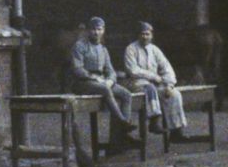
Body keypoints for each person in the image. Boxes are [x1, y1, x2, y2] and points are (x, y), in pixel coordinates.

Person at [66, 15, 140, 153]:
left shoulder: (103, 49)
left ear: (103, 30)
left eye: (99, 29)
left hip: (101, 83)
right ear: (88, 31)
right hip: (82, 83)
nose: (96, 32)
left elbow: (110, 70)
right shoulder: (79, 46)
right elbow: (77, 69)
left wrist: (111, 80)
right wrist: (95, 78)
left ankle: (122, 134)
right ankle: (123, 122)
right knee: (105, 89)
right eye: (93, 29)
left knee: (126, 94)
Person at [122, 21, 191, 144]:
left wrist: (169, 84)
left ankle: (176, 132)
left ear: (152, 35)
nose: (145, 37)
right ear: (138, 35)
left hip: (154, 84)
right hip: (136, 83)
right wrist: (153, 76)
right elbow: (133, 70)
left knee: (175, 94)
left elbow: (166, 68)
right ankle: (154, 122)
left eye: (147, 34)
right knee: (150, 88)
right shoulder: (131, 49)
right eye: (142, 34)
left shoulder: (154, 49)